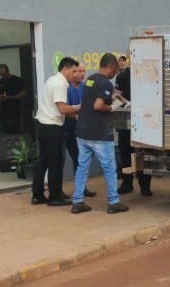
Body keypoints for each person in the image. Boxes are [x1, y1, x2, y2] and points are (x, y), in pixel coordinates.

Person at [71, 53, 129, 214]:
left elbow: (92, 97)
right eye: (115, 70)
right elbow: (98, 105)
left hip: (82, 132)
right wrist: (111, 107)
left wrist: (112, 95)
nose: (116, 74)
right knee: (110, 168)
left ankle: (77, 201)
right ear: (110, 67)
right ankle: (113, 202)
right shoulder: (105, 83)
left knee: (82, 167)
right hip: (99, 133)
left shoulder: (90, 79)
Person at [31, 57, 80, 206]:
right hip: (52, 127)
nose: (76, 75)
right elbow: (63, 109)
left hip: (43, 124)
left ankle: (38, 195)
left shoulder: (52, 80)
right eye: (73, 71)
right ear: (65, 69)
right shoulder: (60, 84)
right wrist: (80, 107)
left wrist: (76, 115)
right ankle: (54, 197)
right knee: (55, 162)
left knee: (44, 161)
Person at [114, 59, 152, 196]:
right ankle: (127, 182)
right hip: (127, 121)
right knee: (125, 153)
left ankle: (145, 186)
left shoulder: (149, 74)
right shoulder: (122, 76)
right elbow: (117, 96)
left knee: (144, 154)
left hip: (145, 121)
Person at [63, 63, 97, 198]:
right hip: (67, 130)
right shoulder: (66, 88)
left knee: (80, 160)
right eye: (77, 71)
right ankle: (59, 190)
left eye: (83, 71)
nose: (81, 74)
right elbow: (65, 110)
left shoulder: (85, 87)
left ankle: (82, 188)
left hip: (82, 131)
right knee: (61, 160)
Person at [0, 64, 26, 134]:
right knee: (4, 128)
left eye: (3, 74)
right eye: (0, 74)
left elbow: (23, 94)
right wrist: (0, 96)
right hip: (3, 108)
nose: (2, 76)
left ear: (8, 71)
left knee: (15, 128)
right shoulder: (1, 81)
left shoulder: (17, 80)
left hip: (14, 108)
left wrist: (10, 97)